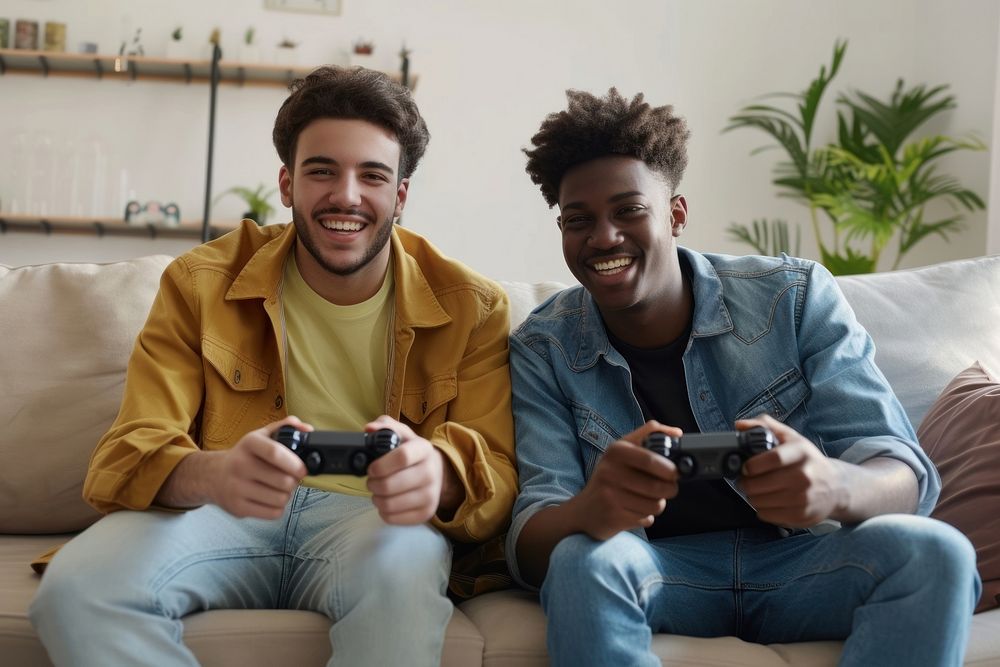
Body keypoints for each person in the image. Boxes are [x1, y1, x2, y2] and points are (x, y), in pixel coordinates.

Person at [30, 66, 517, 667]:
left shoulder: (472, 306)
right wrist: (217, 474)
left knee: (403, 583)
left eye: (373, 175)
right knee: (80, 590)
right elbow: (127, 451)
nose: (346, 195)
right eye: (321, 171)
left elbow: (496, 470)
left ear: (401, 195)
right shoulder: (198, 283)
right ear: (287, 184)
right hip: (221, 514)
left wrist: (436, 471)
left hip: (375, 525)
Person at [506, 88, 980, 666]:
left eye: (629, 210)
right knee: (583, 561)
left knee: (939, 552)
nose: (603, 237)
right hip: (656, 569)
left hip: (805, 563)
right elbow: (532, 539)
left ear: (676, 214)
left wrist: (830, 485)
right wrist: (592, 508)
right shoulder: (543, 345)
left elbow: (903, 472)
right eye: (578, 220)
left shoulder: (795, 295)